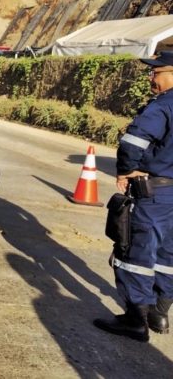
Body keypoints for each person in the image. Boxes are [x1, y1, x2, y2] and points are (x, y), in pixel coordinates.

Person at [94, 50, 173, 342]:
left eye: (156, 73)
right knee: (168, 254)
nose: (152, 78)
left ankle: (135, 320)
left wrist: (126, 171)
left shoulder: (162, 107)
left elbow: (132, 143)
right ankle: (159, 313)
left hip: (155, 192)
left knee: (135, 253)